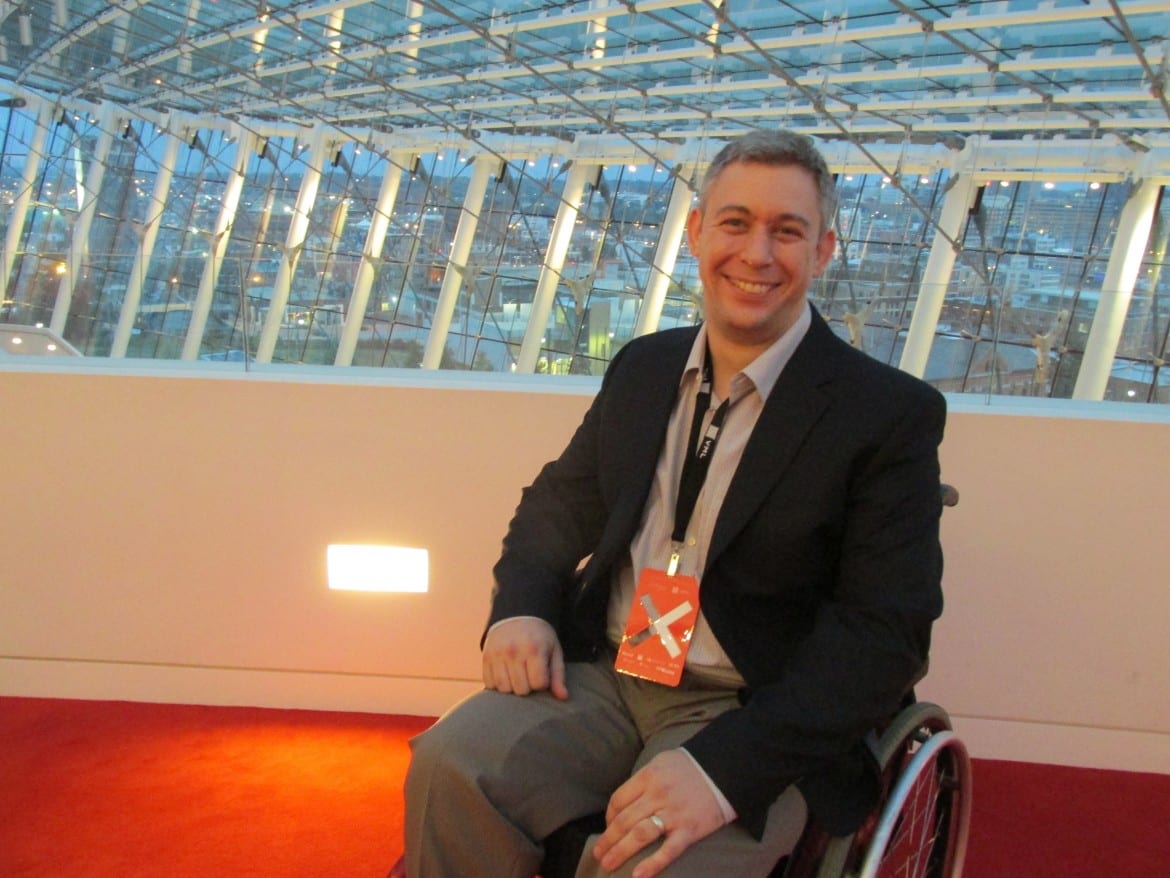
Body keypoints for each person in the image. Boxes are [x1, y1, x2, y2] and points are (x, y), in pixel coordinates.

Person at [399, 129, 947, 878]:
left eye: (787, 231)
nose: (757, 254)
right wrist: (520, 606)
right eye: (735, 222)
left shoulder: (885, 414)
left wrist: (728, 769)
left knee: (647, 862)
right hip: (610, 672)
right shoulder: (644, 367)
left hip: (750, 704)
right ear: (696, 232)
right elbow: (557, 507)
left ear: (822, 252)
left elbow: (885, 634)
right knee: (450, 765)